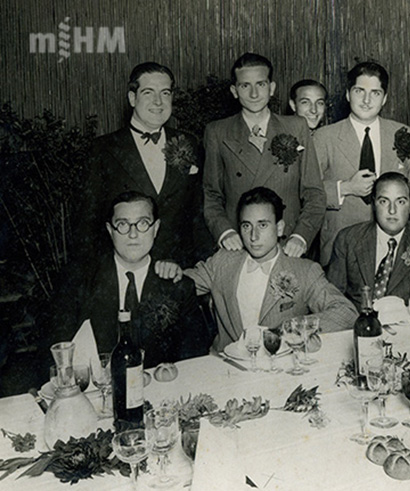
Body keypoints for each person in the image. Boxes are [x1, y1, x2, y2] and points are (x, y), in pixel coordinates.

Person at [42, 191, 210, 370]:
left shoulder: (179, 287)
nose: (133, 234)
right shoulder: (79, 283)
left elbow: (195, 360)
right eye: (122, 224)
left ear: (156, 228)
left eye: (143, 223)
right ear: (110, 230)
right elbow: (54, 355)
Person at [185, 187, 357, 351]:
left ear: (279, 228)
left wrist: (293, 328)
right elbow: (183, 283)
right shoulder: (222, 262)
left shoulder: (304, 270)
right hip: (226, 363)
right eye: (246, 226)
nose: (253, 236)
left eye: (262, 225)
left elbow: (346, 313)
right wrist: (172, 269)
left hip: (279, 364)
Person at [79, 62, 208, 266]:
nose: (158, 102)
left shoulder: (189, 142)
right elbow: (88, 222)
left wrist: (203, 268)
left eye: (165, 93)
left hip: (179, 267)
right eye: (148, 93)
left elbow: (198, 213)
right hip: (124, 268)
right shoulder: (103, 149)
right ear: (132, 98)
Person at [203, 53, 326, 258]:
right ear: (234, 91)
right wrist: (225, 232)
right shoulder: (217, 132)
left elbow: (314, 193)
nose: (254, 94)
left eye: (260, 84)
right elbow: (211, 195)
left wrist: (301, 236)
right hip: (240, 245)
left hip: (288, 246)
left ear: (272, 88)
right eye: (245, 86)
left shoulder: (296, 127)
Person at [314, 61, 410, 265]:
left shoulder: (402, 134)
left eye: (375, 93)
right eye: (359, 91)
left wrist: (409, 240)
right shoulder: (324, 137)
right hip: (339, 250)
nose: (367, 100)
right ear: (347, 94)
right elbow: (308, 193)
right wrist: (345, 188)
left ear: (384, 98)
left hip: (394, 249)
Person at [327, 172, 410, 307]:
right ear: (374, 204)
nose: (392, 210)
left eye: (400, 202)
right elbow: (332, 296)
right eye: (384, 201)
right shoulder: (348, 239)